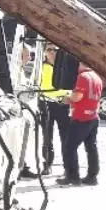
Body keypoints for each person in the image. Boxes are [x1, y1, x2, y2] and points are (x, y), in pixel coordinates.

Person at [23, 45, 69, 177]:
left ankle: (67, 167)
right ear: (44, 52)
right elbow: (32, 84)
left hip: (62, 105)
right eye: (49, 50)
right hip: (45, 104)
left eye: (55, 50)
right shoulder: (40, 68)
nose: (53, 52)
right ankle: (47, 165)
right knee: (47, 138)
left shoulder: (65, 67)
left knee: (65, 138)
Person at [58, 63, 103, 186]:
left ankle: (73, 177)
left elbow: (77, 96)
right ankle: (92, 176)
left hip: (82, 118)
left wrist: (67, 98)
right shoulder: (96, 77)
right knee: (91, 148)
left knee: (70, 147)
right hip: (93, 116)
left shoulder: (83, 77)